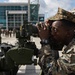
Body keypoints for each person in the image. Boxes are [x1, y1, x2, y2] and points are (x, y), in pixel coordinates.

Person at [37, 7, 75, 75]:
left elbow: (52, 71)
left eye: (55, 30)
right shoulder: (69, 42)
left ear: (68, 33)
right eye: (51, 29)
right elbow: (56, 45)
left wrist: (45, 41)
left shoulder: (73, 52)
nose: (52, 33)